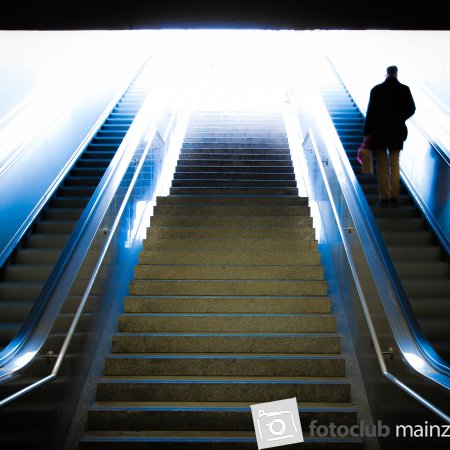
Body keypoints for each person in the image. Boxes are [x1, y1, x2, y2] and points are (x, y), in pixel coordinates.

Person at [363, 65, 416, 207]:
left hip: (379, 133)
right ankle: (394, 197)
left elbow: (370, 112)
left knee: (381, 164)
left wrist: (367, 133)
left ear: (386, 74)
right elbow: (412, 109)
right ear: (396, 74)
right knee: (394, 163)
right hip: (396, 132)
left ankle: (384, 198)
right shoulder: (404, 89)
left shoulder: (377, 90)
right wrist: (400, 118)